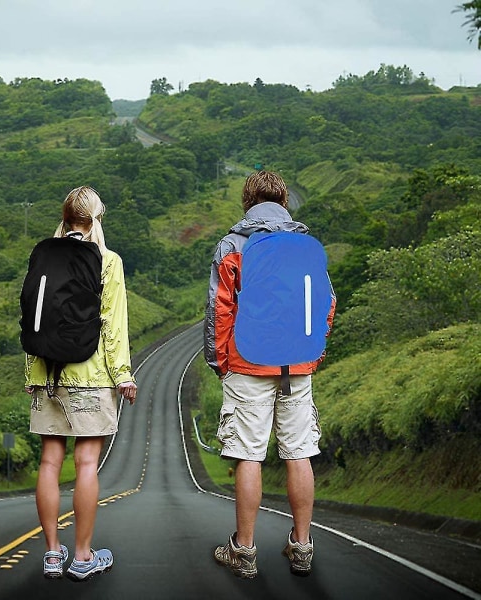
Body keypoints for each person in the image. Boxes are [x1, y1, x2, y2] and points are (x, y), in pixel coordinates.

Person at [204, 170, 335, 579]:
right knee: (298, 451)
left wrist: (219, 360)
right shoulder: (305, 246)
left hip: (247, 362)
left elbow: (219, 309)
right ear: (284, 201)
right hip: (296, 363)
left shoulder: (234, 244)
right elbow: (327, 303)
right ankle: (302, 546)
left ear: (248, 202)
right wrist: (313, 350)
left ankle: (243, 551)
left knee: (248, 454)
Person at [24, 186, 137, 581]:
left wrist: (31, 374)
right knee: (86, 463)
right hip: (90, 376)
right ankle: (84, 556)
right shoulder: (107, 260)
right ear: (96, 219)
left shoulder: (43, 255)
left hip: (47, 374)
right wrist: (123, 376)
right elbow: (113, 324)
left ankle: (52, 554)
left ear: (66, 217)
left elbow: (34, 315)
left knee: (49, 463)